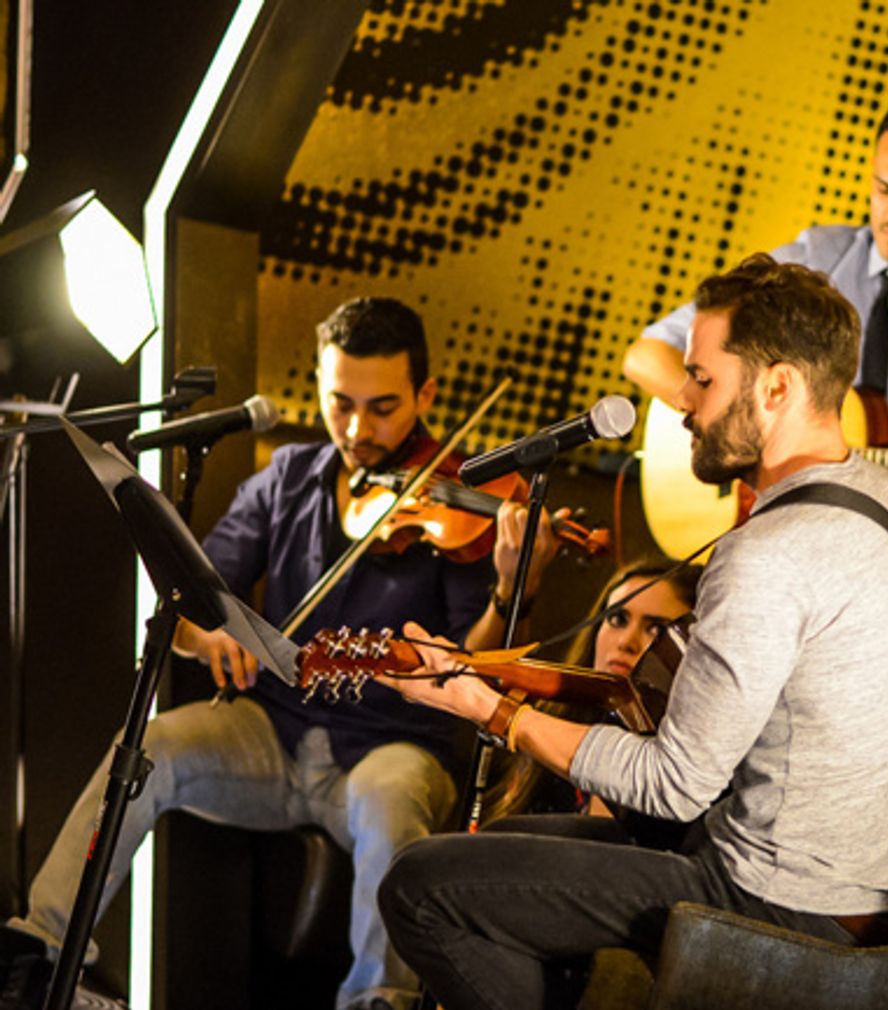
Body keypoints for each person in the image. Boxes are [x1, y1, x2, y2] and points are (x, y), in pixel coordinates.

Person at [376, 254, 888, 1010]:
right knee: (507, 856)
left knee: (421, 884)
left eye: (703, 379)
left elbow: (672, 786)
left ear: (779, 386)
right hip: (881, 896)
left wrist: (490, 709)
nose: (682, 403)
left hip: (775, 904)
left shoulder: (766, 553)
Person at [0, 298, 559, 1010]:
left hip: (393, 745)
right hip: (272, 731)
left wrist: (515, 585)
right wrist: (211, 633)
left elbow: (470, 663)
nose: (357, 431)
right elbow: (183, 607)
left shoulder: (457, 501)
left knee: (391, 804)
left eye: (383, 408)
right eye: (340, 405)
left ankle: (378, 999)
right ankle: (40, 953)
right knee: (153, 743)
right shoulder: (288, 478)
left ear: (426, 395)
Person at [623, 89, 888, 514]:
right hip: (767, 521)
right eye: (884, 189)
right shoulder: (810, 259)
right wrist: (751, 431)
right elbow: (645, 357)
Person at [480, 557, 701, 823]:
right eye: (617, 619)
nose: (625, 642)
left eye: (656, 629)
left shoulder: (686, 760)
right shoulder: (551, 717)